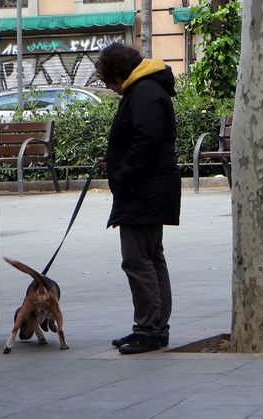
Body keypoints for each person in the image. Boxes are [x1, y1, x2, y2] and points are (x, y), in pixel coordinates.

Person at [95, 42, 181, 355]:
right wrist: (116, 161)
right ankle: (154, 328)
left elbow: (146, 141)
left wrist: (123, 173)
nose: (110, 88)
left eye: (108, 81)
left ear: (119, 73)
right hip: (150, 186)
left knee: (137, 259)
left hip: (144, 188)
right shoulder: (147, 88)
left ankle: (148, 329)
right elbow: (142, 139)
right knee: (151, 257)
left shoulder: (144, 91)